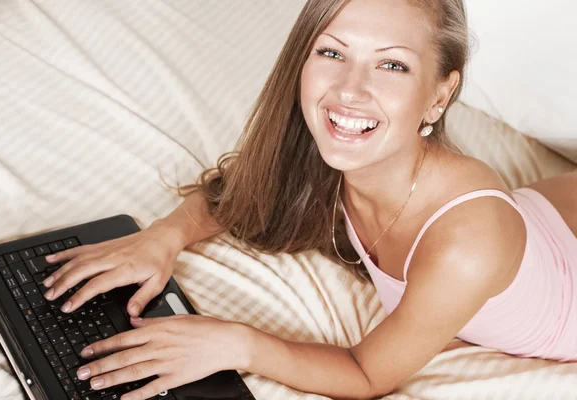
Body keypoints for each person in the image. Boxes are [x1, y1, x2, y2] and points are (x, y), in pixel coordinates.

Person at [40, 0, 577, 399]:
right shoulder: (336, 149)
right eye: (331, 52)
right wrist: (163, 235)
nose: (350, 89)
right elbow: (240, 193)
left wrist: (237, 344)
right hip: (549, 214)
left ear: (439, 96)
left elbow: (367, 374)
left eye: (392, 64)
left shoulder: (465, 243)